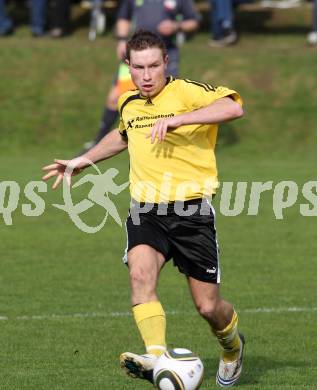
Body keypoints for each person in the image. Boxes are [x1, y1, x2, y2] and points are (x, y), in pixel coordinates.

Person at [42, 30, 245, 387]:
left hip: (191, 213)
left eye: (154, 65)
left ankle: (232, 347)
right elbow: (123, 135)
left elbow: (234, 107)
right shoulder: (129, 103)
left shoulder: (185, 92)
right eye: (139, 67)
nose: (147, 75)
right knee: (139, 275)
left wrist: (180, 119)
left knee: (209, 308)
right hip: (146, 210)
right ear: (128, 67)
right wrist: (83, 161)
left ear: (166, 62)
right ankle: (155, 356)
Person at [82, 0, 199, 150]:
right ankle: (98, 141)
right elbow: (124, 16)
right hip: (136, 55)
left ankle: (165, 143)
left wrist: (176, 26)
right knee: (114, 98)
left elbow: (193, 21)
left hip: (164, 56)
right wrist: (122, 39)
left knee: (165, 101)